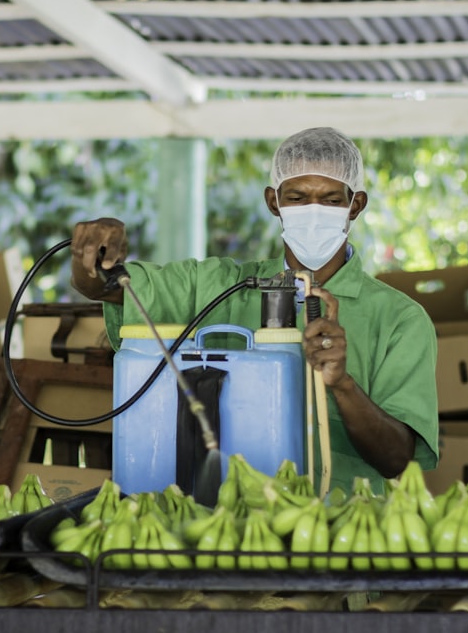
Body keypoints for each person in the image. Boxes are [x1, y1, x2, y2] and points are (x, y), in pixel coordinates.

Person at [70, 126, 439, 495]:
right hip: (229, 523)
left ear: (355, 205)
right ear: (273, 202)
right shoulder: (218, 287)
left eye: (329, 200)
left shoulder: (400, 320)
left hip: (343, 534)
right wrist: (94, 257)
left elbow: (398, 461)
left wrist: (342, 385)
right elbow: (109, 287)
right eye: (296, 198)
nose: (312, 213)